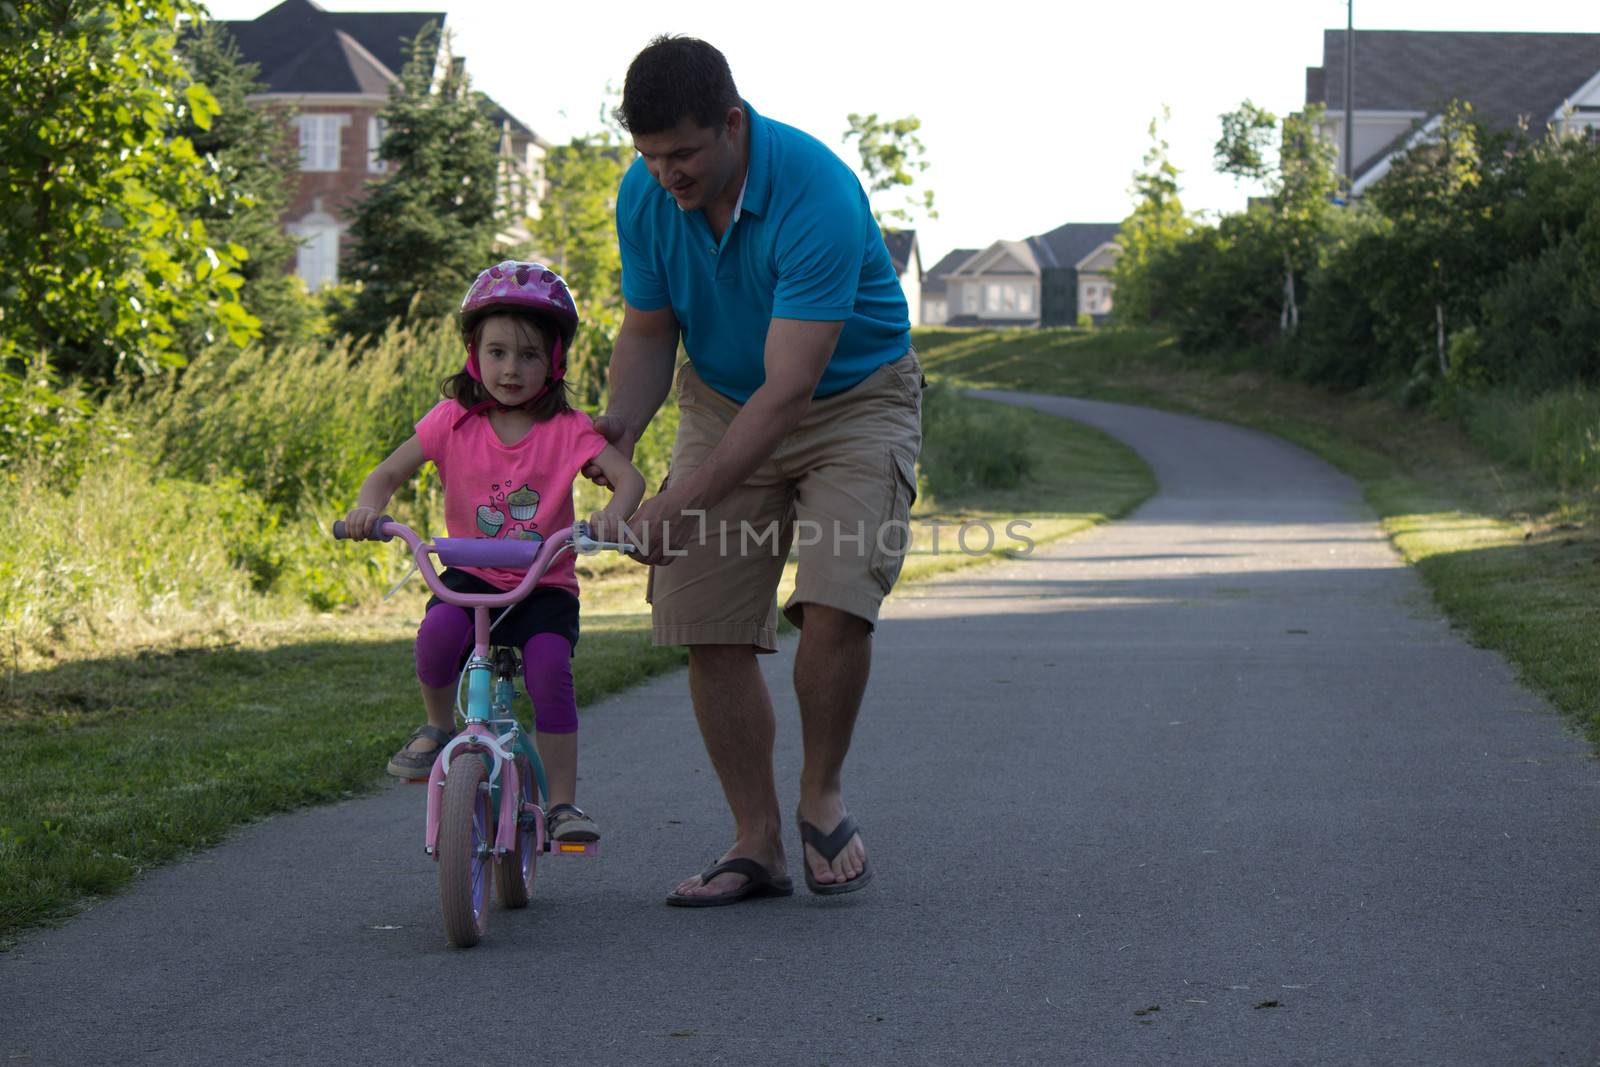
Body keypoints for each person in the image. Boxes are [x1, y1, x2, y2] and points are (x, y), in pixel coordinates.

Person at [590, 35, 923, 904]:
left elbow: (791, 389)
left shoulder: (813, 191)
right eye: (650, 156)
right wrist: (618, 427)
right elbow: (651, 330)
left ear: (732, 123)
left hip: (853, 402)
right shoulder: (646, 196)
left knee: (836, 600)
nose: (668, 174)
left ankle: (821, 793)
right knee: (705, 614)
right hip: (723, 396)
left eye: (684, 153)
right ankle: (757, 842)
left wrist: (682, 498)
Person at [345, 261, 645, 843]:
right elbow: (387, 473)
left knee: (550, 672)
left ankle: (561, 805)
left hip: (543, 585)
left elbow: (627, 479)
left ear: (554, 362)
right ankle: (436, 727)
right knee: (435, 641)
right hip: (468, 576)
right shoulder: (451, 422)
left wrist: (613, 515)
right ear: (473, 354)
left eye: (530, 355)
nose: (512, 369)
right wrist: (367, 509)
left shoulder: (569, 429)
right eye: (499, 352)